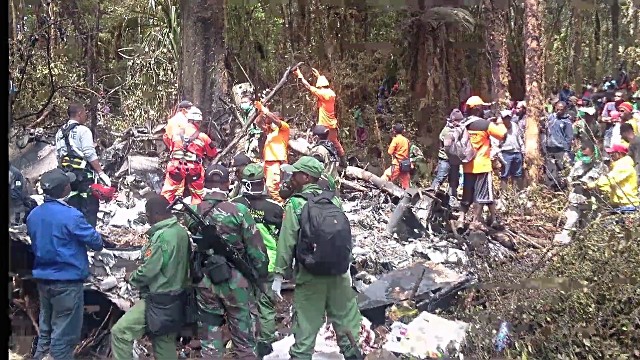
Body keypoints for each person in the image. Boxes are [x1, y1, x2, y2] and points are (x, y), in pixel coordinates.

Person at [272, 156, 362, 360]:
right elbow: (344, 235)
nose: (291, 178)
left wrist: (279, 275)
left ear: (305, 177)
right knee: (346, 321)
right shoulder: (334, 200)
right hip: (339, 274)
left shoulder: (295, 204)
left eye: (295, 174)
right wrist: (347, 265)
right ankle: (353, 354)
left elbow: (286, 242)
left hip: (310, 276)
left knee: (306, 325)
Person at [186, 164, 267, 359]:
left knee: (210, 338)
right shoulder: (238, 211)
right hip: (236, 280)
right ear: (227, 183)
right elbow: (257, 250)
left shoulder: (193, 211)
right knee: (244, 339)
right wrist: (260, 275)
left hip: (205, 279)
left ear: (205, 184)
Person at [27, 168, 103, 360]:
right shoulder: (71, 216)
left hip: (44, 281)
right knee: (64, 337)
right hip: (67, 283)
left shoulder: (33, 215)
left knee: (46, 333)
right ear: (65, 189)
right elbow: (96, 242)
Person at [110, 194, 190, 360]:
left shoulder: (162, 237)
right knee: (163, 342)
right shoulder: (180, 232)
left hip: (158, 299)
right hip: (177, 299)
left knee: (120, 332)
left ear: (156, 214)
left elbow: (149, 270)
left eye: (148, 215)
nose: (147, 219)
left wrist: (131, 276)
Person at [230, 163, 284, 357]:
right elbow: (283, 238)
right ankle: (266, 343)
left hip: (240, 263)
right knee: (266, 305)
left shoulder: (234, 204)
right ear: (263, 182)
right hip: (268, 262)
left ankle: (245, 343)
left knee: (243, 304)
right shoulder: (274, 208)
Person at [55, 103, 110, 227]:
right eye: (85, 113)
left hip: (66, 175)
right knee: (89, 207)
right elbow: (89, 153)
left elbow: (58, 154)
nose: (86, 116)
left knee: (70, 206)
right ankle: (88, 240)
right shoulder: (83, 130)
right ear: (79, 113)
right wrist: (100, 172)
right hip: (83, 176)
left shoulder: (60, 132)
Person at [457, 96, 507, 230]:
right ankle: (475, 221)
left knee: (467, 194)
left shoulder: (463, 124)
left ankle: (461, 219)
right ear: (478, 109)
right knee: (481, 195)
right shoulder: (485, 125)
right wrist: (500, 121)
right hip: (482, 165)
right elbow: (503, 135)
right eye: (482, 107)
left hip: (467, 165)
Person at [160, 106, 218, 205]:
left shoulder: (175, 134)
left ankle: (161, 213)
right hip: (193, 169)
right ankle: (196, 215)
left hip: (175, 166)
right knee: (197, 195)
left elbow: (168, 142)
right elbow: (212, 153)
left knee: (167, 194)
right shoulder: (202, 137)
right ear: (199, 122)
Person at [554, 142, 605, 244]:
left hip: (591, 199)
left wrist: (591, 186)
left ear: (593, 154)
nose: (585, 157)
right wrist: (570, 182)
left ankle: (584, 242)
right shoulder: (578, 165)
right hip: (576, 197)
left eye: (587, 155)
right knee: (571, 219)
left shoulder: (600, 167)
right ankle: (564, 240)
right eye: (583, 155)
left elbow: (603, 182)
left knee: (588, 221)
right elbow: (570, 179)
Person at [294, 67, 347, 166]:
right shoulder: (331, 93)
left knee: (322, 143)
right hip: (332, 123)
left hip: (325, 125)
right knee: (335, 142)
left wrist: (299, 75)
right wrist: (318, 76)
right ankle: (343, 161)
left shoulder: (322, 93)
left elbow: (308, 86)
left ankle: (324, 162)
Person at [255, 102, 290, 204]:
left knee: (273, 187)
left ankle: (282, 206)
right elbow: (258, 122)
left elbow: (276, 120)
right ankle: (277, 204)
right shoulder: (269, 131)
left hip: (277, 161)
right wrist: (262, 112)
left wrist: (265, 110)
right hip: (268, 162)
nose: (271, 122)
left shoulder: (284, 128)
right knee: (270, 186)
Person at [586, 143, 639, 211]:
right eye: (610, 153)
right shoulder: (617, 166)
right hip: (619, 205)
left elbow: (609, 179)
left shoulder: (624, 166)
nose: (610, 155)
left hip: (628, 205)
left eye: (613, 153)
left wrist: (590, 185)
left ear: (620, 154)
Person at [431, 109, 464, 207]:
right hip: (445, 159)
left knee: (454, 181)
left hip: (454, 160)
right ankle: (430, 196)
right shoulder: (446, 130)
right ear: (453, 120)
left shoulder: (458, 130)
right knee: (440, 178)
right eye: (458, 121)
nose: (459, 123)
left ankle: (452, 199)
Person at [543, 101, 574, 190]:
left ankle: (562, 188)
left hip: (560, 149)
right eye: (557, 109)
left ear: (565, 110)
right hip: (549, 148)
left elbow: (569, 137)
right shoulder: (551, 118)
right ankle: (551, 187)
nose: (559, 111)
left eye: (561, 109)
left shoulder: (566, 122)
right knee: (550, 168)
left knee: (561, 168)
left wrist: (566, 151)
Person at [497, 110, 525, 192]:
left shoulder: (514, 125)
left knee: (517, 174)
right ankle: (504, 195)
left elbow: (519, 137)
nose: (507, 120)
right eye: (505, 118)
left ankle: (516, 195)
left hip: (517, 152)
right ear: (502, 119)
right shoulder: (499, 128)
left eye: (509, 118)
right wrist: (498, 154)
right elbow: (496, 142)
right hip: (505, 153)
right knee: (505, 175)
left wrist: (522, 147)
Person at [381, 123, 411, 189]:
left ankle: (379, 189)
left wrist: (395, 152)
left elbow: (390, 152)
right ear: (403, 131)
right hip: (405, 164)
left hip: (397, 163)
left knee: (386, 176)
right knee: (405, 183)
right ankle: (407, 195)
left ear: (394, 131)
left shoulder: (395, 139)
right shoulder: (406, 140)